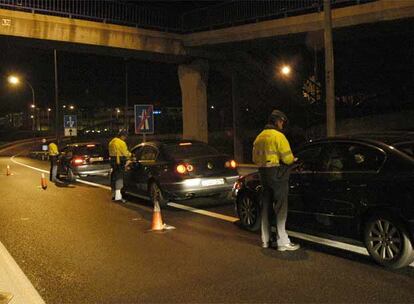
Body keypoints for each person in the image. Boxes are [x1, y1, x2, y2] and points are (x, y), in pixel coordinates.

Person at [252, 109, 300, 251]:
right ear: (277, 121)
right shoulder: (278, 137)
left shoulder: (259, 137)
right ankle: (282, 242)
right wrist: (293, 160)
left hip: (263, 174)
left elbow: (254, 159)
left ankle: (265, 241)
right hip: (278, 174)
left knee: (266, 207)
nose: (282, 125)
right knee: (281, 208)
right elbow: (288, 158)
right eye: (282, 122)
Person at [108, 130, 131, 202]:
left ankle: (114, 195)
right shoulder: (122, 143)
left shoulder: (111, 142)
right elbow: (125, 153)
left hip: (113, 161)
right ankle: (118, 197)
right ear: (122, 136)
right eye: (125, 137)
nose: (125, 138)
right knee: (119, 178)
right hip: (120, 161)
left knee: (114, 177)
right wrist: (131, 154)